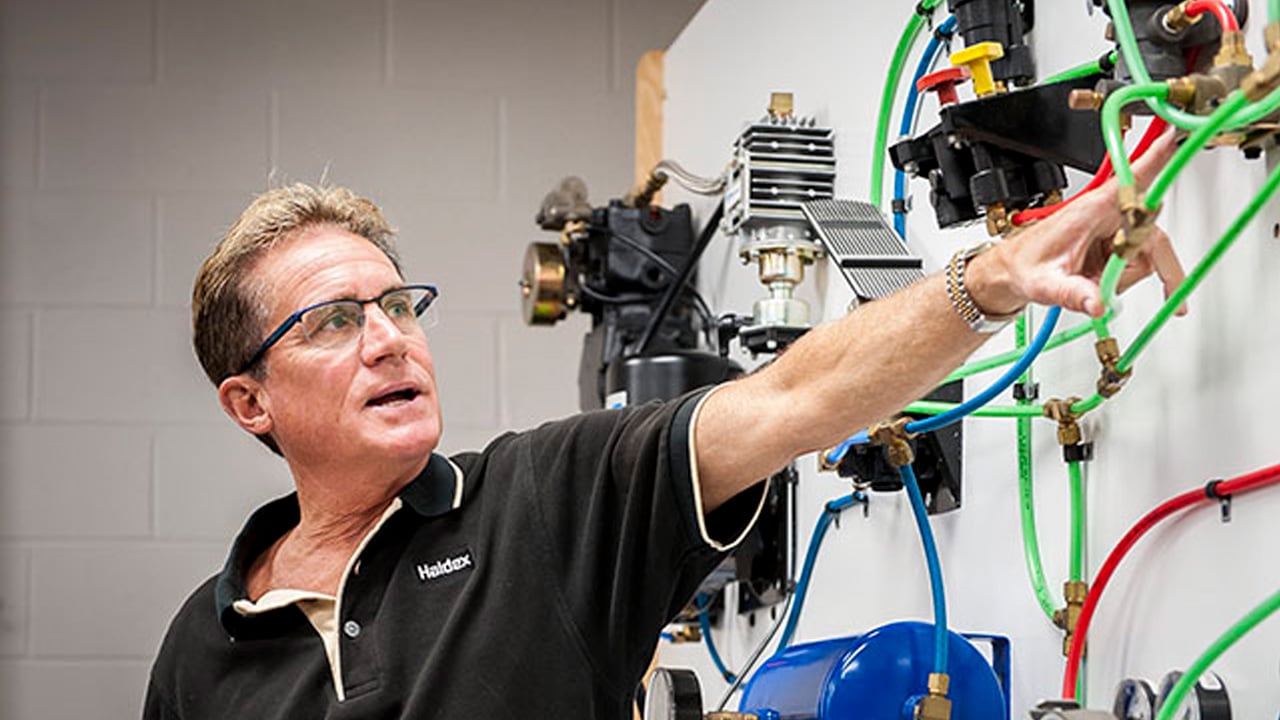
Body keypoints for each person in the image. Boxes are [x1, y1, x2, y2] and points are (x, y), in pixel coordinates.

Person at [143, 132, 1185, 719]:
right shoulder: (202, 644)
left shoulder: (543, 503)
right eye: (332, 323)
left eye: (397, 306)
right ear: (250, 402)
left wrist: (991, 278)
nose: (388, 341)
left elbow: (788, 399)